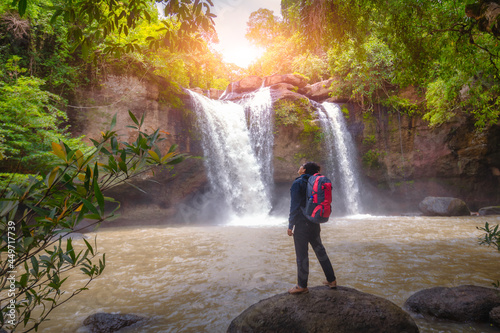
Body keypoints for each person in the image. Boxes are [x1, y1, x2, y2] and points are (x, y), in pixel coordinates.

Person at [287, 162, 337, 294]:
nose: (299, 168)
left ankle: (302, 286)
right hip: (314, 221)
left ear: (303, 170)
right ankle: (331, 280)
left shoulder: (298, 183)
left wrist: (290, 225)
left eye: (300, 166)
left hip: (302, 224)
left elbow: (294, 205)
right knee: (320, 250)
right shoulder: (315, 182)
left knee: (302, 255)